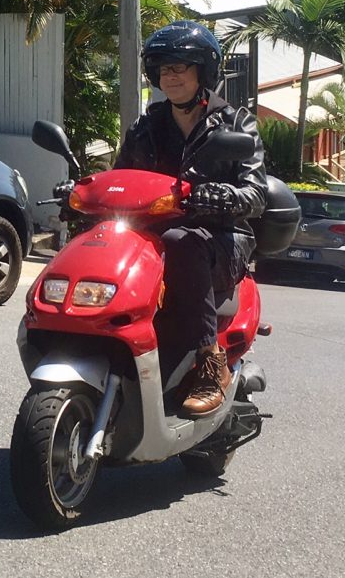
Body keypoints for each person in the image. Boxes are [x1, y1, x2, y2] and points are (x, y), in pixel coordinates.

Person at [57, 21, 268, 417]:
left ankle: (210, 363)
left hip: (220, 239)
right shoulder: (146, 125)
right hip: (151, 234)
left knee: (180, 242)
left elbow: (255, 195)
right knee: (102, 240)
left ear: (202, 72)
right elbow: (118, 178)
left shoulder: (237, 124)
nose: (170, 76)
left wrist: (220, 195)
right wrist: (78, 193)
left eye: (180, 67)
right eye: (164, 69)